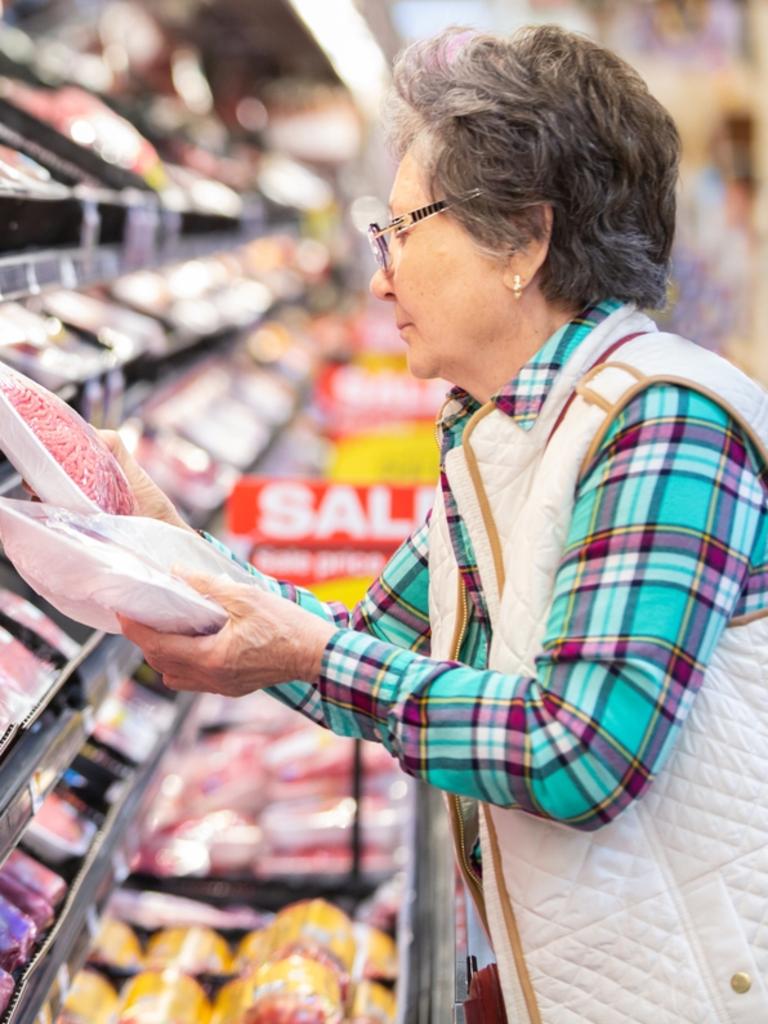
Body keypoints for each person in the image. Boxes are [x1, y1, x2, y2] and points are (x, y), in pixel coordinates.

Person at [109, 25, 768, 1024]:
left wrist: (313, 651)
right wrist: (166, 546)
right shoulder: (504, 436)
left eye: (402, 231)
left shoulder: (664, 421)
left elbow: (582, 750)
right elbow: (360, 649)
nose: (381, 276)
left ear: (524, 240)